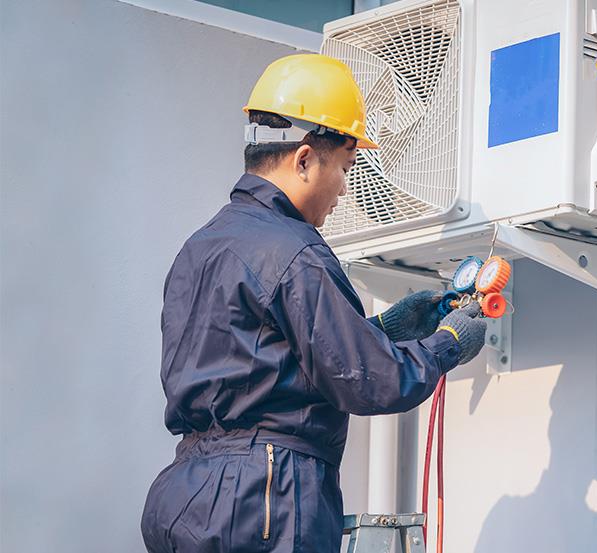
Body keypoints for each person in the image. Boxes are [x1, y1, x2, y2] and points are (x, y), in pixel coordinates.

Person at [140, 54, 486, 553]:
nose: (346, 188)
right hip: (262, 497)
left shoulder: (201, 247)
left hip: (185, 497)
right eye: (345, 167)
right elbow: (371, 382)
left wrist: (381, 329)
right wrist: (449, 342)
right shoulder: (295, 251)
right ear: (304, 159)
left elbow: (264, 361)